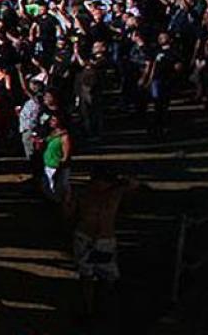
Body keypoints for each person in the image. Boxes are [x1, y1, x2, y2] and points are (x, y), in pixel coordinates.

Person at [71, 168, 139, 319]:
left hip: (101, 240)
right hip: (87, 238)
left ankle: (100, 306)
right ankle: (89, 309)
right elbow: (69, 214)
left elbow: (134, 184)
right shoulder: (85, 194)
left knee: (105, 275)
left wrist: (121, 181)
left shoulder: (114, 194)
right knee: (88, 275)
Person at [42, 113, 72, 204]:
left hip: (56, 167)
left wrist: (60, 167)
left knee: (57, 189)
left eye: (54, 120)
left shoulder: (64, 137)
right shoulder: (53, 133)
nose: (51, 122)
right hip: (48, 165)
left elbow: (65, 155)